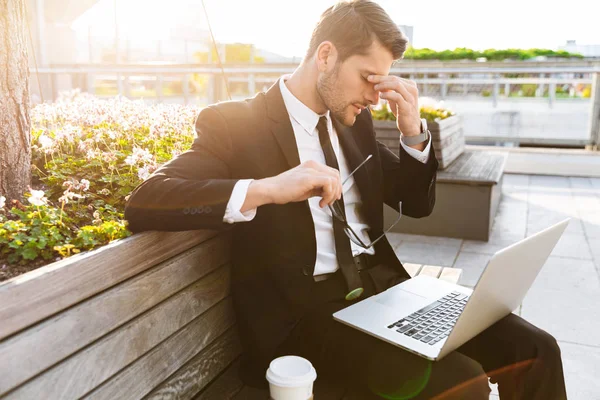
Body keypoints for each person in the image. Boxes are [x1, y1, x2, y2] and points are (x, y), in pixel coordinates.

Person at [124, 1, 566, 398]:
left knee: (537, 348)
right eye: (368, 78)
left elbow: (415, 203)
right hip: (306, 318)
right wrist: (267, 188)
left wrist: (413, 131)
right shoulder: (235, 123)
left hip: (388, 294)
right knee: (462, 382)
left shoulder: (355, 122)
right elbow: (147, 201)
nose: (375, 95)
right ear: (326, 55)